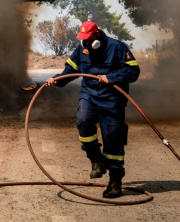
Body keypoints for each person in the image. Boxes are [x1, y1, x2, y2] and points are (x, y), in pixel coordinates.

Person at [44, 20, 140, 198]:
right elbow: (69, 70)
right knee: (83, 121)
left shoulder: (117, 47)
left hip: (112, 99)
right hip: (89, 94)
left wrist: (111, 77)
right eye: (83, 39)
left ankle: (115, 181)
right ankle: (95, 158)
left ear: (96, 35)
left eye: (88, 39)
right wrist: (56, 79)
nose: (85, 42)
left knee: (113, 138)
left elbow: (133, 71)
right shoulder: (81, 50)